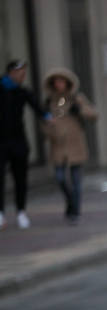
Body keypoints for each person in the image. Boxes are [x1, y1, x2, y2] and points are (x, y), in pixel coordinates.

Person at [42, 67, 98, 224]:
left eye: (62, 81)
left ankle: (75, 212)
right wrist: (51, 131)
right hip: (58, 145)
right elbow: (43, 123)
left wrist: (79, 110)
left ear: (67, 83)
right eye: (56, 81)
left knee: (76, 180)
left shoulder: (76, 98)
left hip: (75, 144)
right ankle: (70, 202)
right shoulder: (49, 102)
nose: (59, 84)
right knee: (60, 178)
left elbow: (93, 114)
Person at [0, 59, 48, 230]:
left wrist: (49, 117)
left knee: (21, 178)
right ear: (11, 72)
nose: (22, 76)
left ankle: (21, 212)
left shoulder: (22, 92)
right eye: (20, 72)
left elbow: (37, 108)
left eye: (24, 73)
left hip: (18, 141)